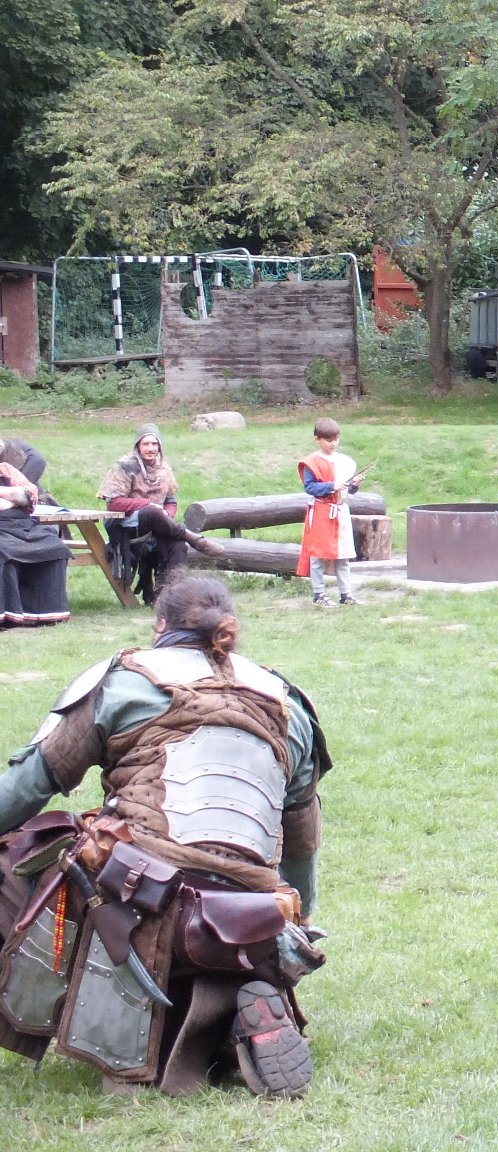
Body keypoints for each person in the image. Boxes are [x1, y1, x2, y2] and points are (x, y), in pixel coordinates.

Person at [0, 577, 329, 1096]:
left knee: (29, 848)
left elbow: (26, 789)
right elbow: (303, 840)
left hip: (143, 903)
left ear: (160, 626)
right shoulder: (289, 702)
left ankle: (89, 1023)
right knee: (210, 904)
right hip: (250, 919)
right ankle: (241, 1012)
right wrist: (299, 917)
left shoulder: (121, 681)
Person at [97, 424, 219, 603]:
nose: (150, 448)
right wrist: (149, 505)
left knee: (178, 545)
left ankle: (171, 598)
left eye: (154, 444)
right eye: (146, 444)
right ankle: (194, 539)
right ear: (138, 446)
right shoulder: (125, 466)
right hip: (128, 525)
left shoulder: (164, 469)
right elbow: (113, 503)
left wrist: (166, 515)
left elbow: (171, 500)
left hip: (158, 523)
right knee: (153, 512)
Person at [0, 436, 70, 629]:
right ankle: (8, 614)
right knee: (4, 551)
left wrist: (11, 498)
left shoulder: (7, 470)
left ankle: (43, 612)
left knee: (54, 546)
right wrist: (11, 495)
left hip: (21, 524)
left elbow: (29, 496)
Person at [297, 417, 362, 607]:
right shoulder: (311, 462)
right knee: (318, 556)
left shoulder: (344, 461)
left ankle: (346, 594)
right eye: (329, 440)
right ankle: (319, 594)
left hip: (340, 512)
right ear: (318, 439)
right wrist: (331, 486)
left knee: (343, 555)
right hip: (322, 512)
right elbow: (310, 487)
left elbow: (348, 491)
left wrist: (354, 485)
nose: (333, 443)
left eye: (336, 439)